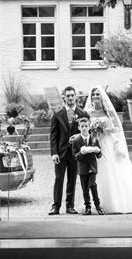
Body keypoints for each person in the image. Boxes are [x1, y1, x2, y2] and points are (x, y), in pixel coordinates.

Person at [82, 85, 132, 214]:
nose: (95, 97)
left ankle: (115, 203)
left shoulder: (108, 111)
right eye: (93, 95)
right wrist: (93, 131)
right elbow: (84, 127)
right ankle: (96, 203)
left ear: (102, 96)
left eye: (98, 94)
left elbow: (118, 128)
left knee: (111, 169)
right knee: (96, 172)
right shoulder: (88, 112)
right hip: (95, 144)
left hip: (108, 144)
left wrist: (108, 130)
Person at [49, 86, 90, 215]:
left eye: (72, 95)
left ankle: (69, 206)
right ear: (64, 98)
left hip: (75, 153)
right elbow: (53, 135)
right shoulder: (57, 115)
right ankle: (55, 206)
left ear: (76, 97)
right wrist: (54, 153)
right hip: (60, 153)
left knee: (72, 179)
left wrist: (78, 139)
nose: (70, 98)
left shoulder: (82, 114)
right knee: (58, 179)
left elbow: (86, 133)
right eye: (68, 96)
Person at [71, 117, 105, 215]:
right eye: (82, 126)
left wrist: (98, 152)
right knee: (85, 188)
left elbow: (99, 155)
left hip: (92, 167)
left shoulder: (94, 139)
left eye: (86, 126)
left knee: (92, 185)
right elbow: (75, 156)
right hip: (82, 168)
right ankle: (88, 207)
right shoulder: (76, 141)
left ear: (89, 127)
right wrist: (81, 153)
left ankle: (98, 206)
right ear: (79, 128)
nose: (84, 128)